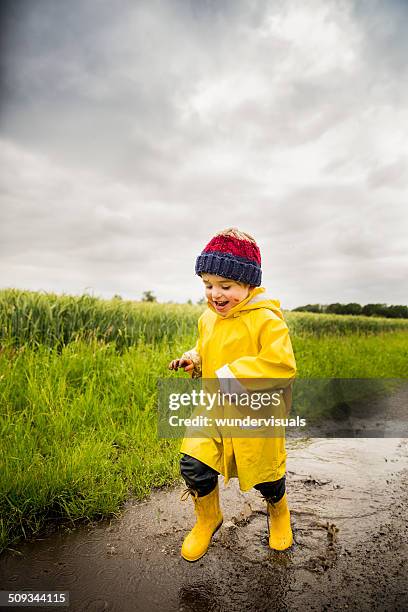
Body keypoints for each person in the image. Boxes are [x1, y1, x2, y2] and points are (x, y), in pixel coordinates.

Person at [168, 228, 297, 562]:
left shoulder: (267, 320)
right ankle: (208, 518)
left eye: (226, 286)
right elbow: (205, 347)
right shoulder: (208, 319)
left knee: (266, 476)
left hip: (256, 412)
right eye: (208, 285)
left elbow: (280, 365)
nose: (216, 294)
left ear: (249, 285)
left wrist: (230, 374)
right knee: (193, 462)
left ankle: (278, 511)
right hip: (213, 408)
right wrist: (193, 359)